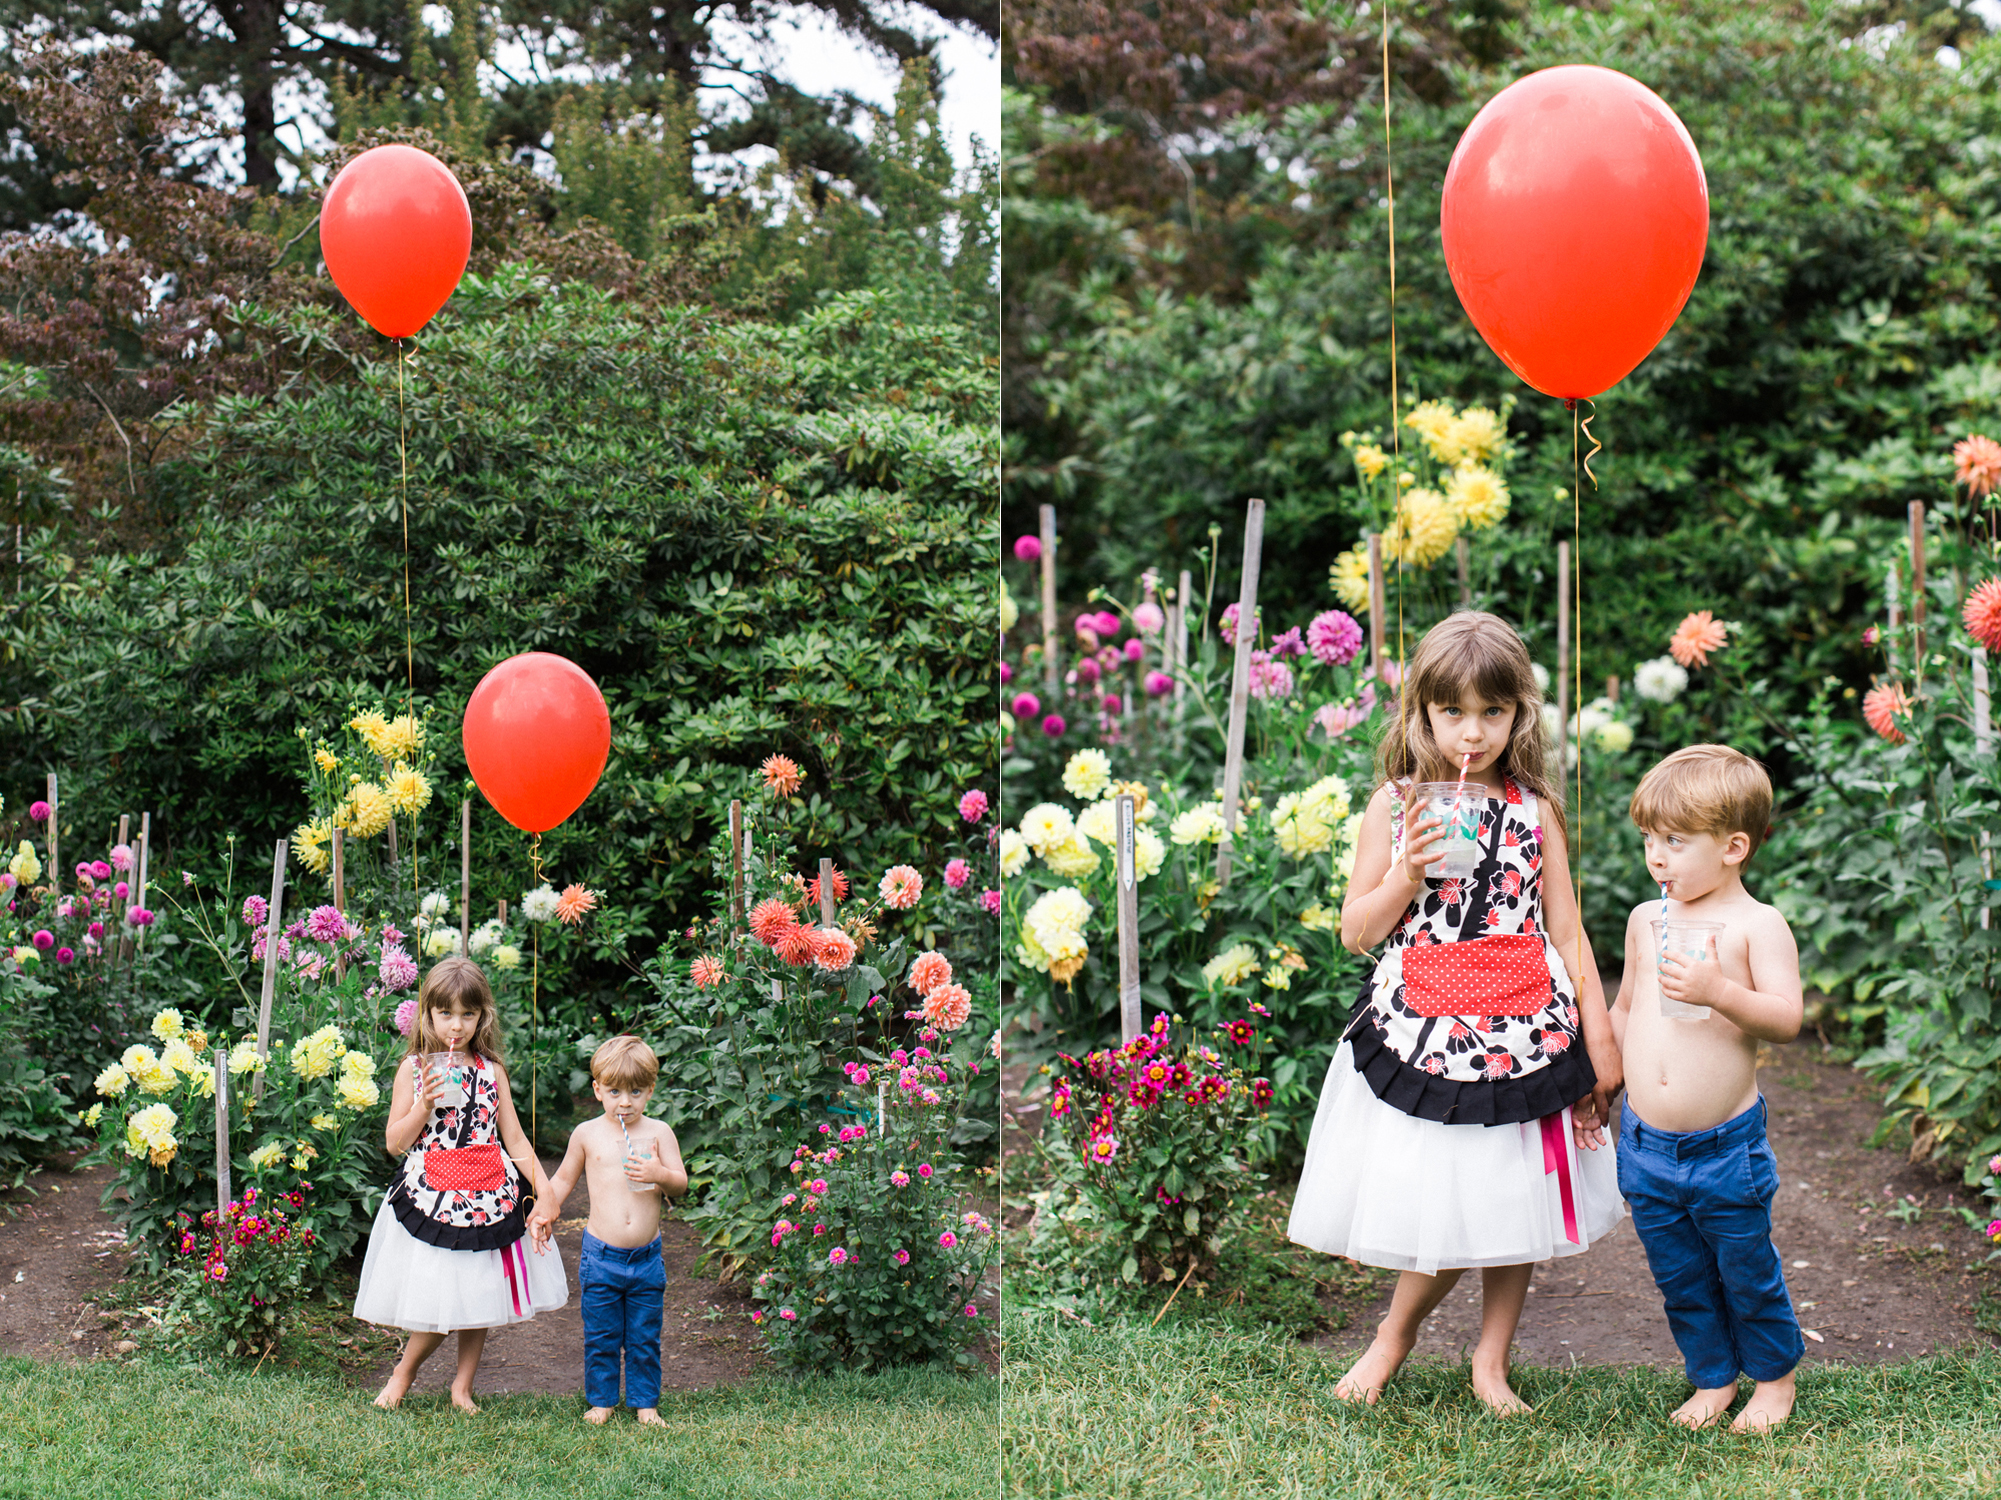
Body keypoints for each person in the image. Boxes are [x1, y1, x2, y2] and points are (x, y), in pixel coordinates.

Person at [1288, 610, 1625, 1414]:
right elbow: (1355, 931)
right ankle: (1391, 1339)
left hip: (1524, 1024)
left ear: (1518, 716)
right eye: (1452, 713)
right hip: (1425, 1027)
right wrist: (1407, 870)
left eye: (1492, 713)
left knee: (1517, 1199)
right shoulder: (1393, 805)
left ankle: (1490, 1360)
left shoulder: (1532, 811)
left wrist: (1600, 1034)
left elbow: (1567, 928)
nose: (1471, 733)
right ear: (1419, 713)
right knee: (1444, 1194)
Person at [1606, 744, 1804, 1431]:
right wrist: (1600, 1078)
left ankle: (1773, 1381)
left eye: (1673, 841)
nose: (1655, 856)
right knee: (1680, 1278)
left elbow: (1785, 1018)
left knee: (1745, 1270)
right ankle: (1713, 1379)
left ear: (1733, 846)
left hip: (1724, 1149)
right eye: (1647, 840)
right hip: (1644, 1143)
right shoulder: (1645, 920)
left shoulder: (1757, 926)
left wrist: (1719, 991)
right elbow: (1627, 1008)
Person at [354, 956, 567, 1411]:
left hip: (489, 1192)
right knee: (440, 1296)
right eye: (445, 1013)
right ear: (427, 1013)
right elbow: (395, 1142)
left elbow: (513, 1137)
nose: (456, 1026)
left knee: (480, 1293)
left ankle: (462, 1386)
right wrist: (423, 1105)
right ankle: (403, 1373)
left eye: (467, 1014)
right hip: (434, 1193)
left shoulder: (492, 1071)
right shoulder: (414, 1069)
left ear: (481, 1015)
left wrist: (543, 1188)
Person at [530, 1035, 689, 1426]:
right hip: (601, 1256)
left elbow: (680, 1184)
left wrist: (659, 1174)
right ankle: (601, 1402)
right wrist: (543, 1212)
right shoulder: (587, 1134)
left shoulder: (659, 1133)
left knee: (643, 1336)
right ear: (597, 1088)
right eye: (615, 1091)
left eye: (636, 1092)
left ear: (650, 1089)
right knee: (601, 1335)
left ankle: (645, 1404)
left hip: (647, 1257)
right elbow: (564, 1180)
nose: (625, 1102)